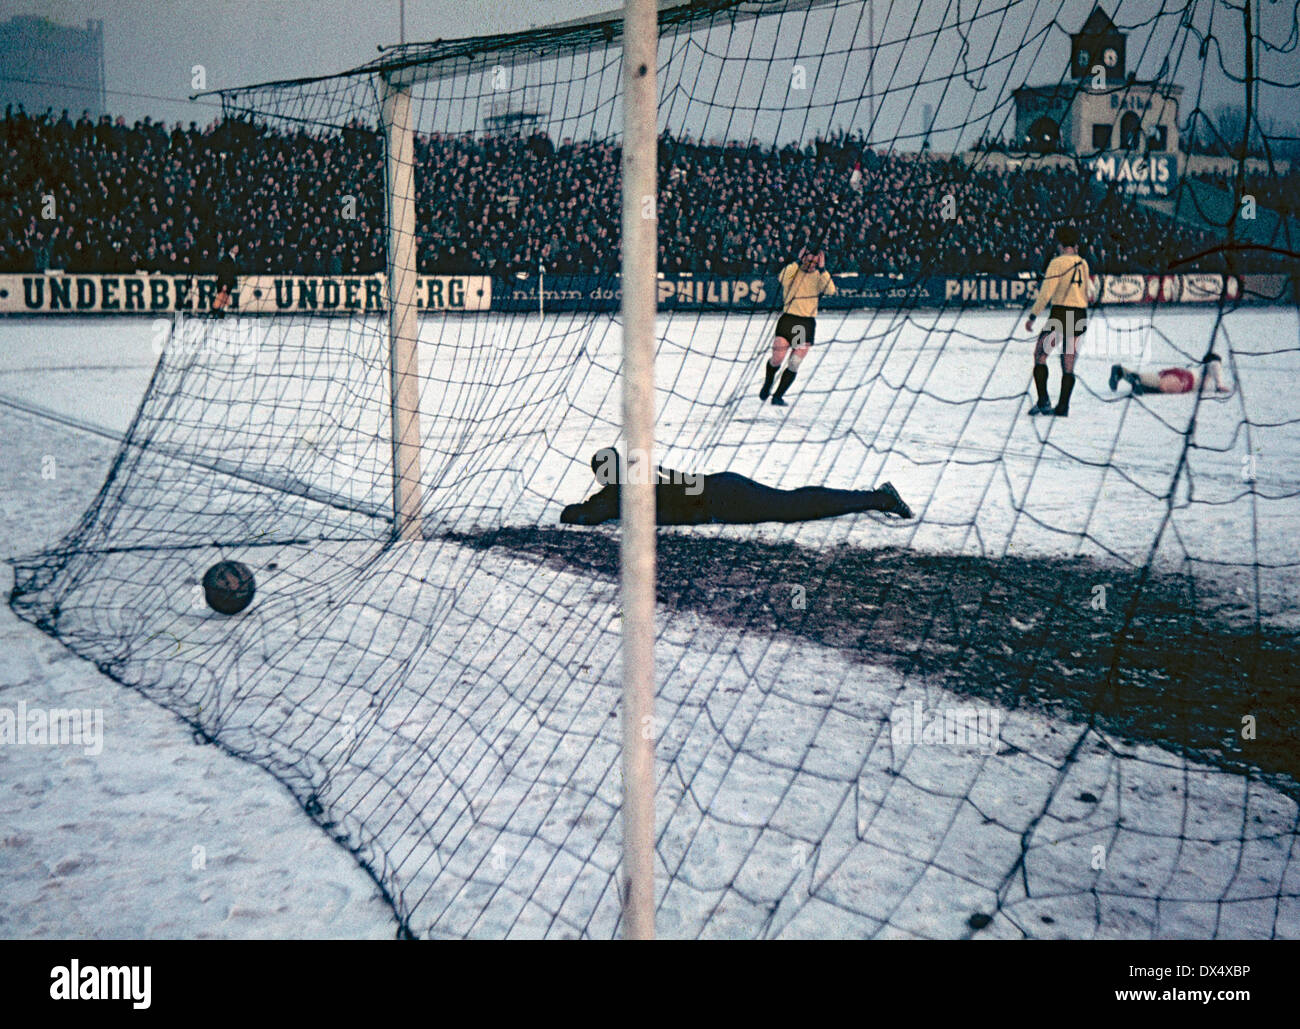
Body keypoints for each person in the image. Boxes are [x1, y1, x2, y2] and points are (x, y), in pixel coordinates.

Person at [560, 448, 913, 526]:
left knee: (791, 508)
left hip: (721, 501)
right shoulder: (642, 473)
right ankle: (875, 497)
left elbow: (577, 516)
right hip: (722, 485)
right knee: (791, 502)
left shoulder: (615, 494)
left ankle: (879, 498)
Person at [1024, 225, 1090, 417]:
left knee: (1040, 355)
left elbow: (1046, 293)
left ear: (1060, 244)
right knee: (1068, 363)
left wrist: (1033, 316)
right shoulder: (1083, 263)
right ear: (1075, 245)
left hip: (1061, 314)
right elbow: (1089, 291)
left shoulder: (1057, 263)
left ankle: (1043, 401)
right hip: (1079, 315)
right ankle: (1063, 407)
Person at [759, 246, 837, 406]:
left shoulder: (819, 276)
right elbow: (782, 277)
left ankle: (778, 396)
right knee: (777, 359)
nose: (811, 265)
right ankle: (768, 383)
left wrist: (823, 269)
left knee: (794, 362)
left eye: (815, 262)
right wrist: (796, 261)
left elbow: (830, 290)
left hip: (804, 324)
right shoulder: (793, 272)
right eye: (809, 261)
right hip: (788, 320)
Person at [1109, 352, 1232, 396]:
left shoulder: (1199, 369)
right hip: (1186, 380)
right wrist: (1219, 385)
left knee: (1154, 384)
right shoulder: (1209, 366)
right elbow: (1215, 365)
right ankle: (1125, 373)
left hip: (1181, 375)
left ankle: (1123, 373)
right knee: (1161, 386)